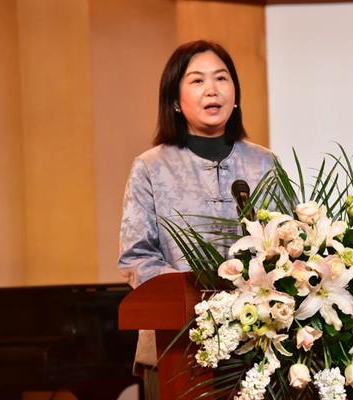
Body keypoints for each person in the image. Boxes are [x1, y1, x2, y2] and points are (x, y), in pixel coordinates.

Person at [117, 40, 274, 399]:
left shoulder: (264, 163)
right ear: (175, 100)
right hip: (177, 344)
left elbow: (289, 245)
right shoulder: (151, 167)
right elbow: (136, 257)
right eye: (197, 80)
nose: (212, 89)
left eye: (221, 78)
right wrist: (201, 298)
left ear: (235, 93)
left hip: (259, 343)